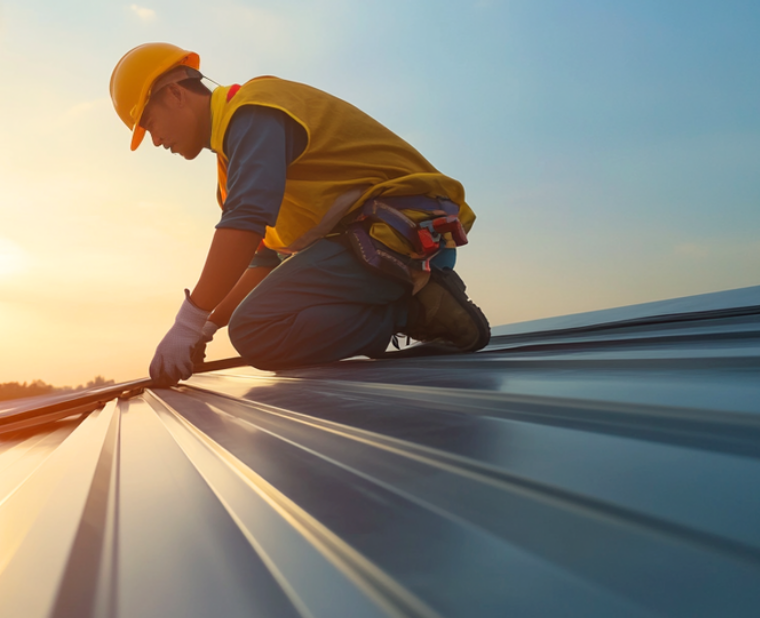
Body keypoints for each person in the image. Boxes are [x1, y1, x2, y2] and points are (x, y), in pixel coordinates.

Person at [108, 42, 490, 385]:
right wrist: (204, 329)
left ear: (174, 94)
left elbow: (243, 224)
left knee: (256, 329)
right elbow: (264, 261)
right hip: (366, 246)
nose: (155, 140)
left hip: (399, 233)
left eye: (150, 123)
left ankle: (419, 310)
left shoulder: (254, 112)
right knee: (255, 328)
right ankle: (407, 307)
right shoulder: (231, 164)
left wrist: (186, 322)